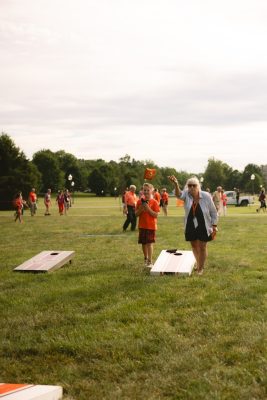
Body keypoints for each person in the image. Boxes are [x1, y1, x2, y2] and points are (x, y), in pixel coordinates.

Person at [168, 175, 218, 275]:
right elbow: (178, 195)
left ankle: (200, 268)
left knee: (202, 246)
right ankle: (198, 263)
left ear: (198, 186)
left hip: (204, 224)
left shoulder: (206, 196)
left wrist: (214, 225)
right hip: (190, 223)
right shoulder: (186, 194)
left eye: (194, 185)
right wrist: (176, 184)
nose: (191, 187)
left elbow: (213, 212)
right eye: (189, 185)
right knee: (194, 245)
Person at [135, 183, 160, 267]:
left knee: (149, 243)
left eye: (147, 190)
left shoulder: (155, 202)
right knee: (143, 243)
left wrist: (147, 208)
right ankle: (145, 258)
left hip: (151, 226)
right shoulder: (139, 201)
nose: (145, 192)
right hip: (142, 225)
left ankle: (150, 261)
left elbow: (155, 215)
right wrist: (142, 208)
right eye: (144, 190)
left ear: (152, 191)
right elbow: (136, 214)